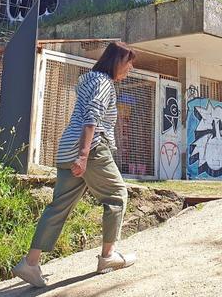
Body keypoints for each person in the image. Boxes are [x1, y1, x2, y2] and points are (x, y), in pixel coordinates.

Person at [13, 41, 138, 288]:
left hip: (66, 148)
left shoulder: (88, 80)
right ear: (116, 61)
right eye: (128, 62)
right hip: (91, 149)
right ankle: (108, 256)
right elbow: (92, 118)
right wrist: (83, 155)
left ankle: (30, 263)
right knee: (117, 195)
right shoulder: (104, 83)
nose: (130, 68)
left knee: (58, 207)